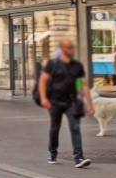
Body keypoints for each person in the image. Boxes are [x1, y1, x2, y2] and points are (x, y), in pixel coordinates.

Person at [37, 38, 93, 168]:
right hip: (55, 101)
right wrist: (44, 98)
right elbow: (43, 81)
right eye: (69, 47)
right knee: (55, 128)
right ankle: (53, 152)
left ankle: (78, 157)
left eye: (72, 47)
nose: (72, 50)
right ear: (62, 49)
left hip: (71, 101)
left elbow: (84, 84)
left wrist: (90, 103)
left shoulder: (77, 66)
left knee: (75, 127)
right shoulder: (52, 64)